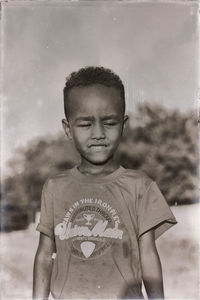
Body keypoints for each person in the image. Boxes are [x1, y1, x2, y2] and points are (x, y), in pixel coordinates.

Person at [33, 66, 177, 300]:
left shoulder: (140, 185)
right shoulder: (54, 187)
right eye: (85, 124)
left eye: (109, 123)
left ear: (123, 125)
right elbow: (44, 256)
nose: (98, 133)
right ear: (68, 129)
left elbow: (148, 254)